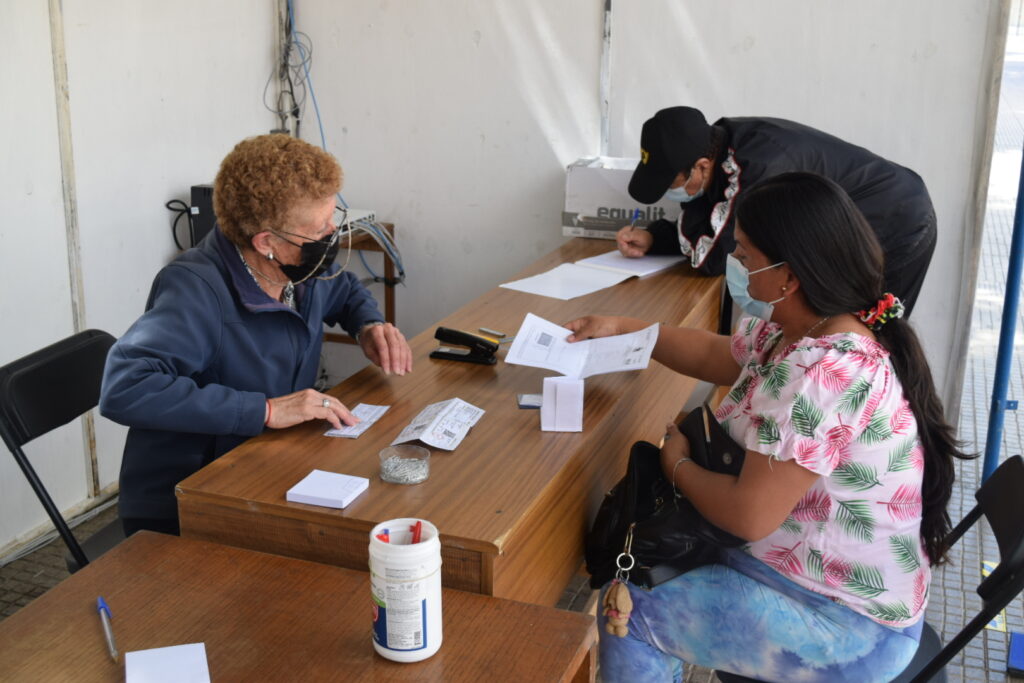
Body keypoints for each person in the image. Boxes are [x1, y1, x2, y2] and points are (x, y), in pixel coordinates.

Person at [567, 172, 970, 682]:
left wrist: (679, 465)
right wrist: (624, 330)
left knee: (629, 606)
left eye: (745, 257)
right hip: (806, 576)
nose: (736, 266)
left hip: (846, 627)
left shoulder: (823, 375)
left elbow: (748, 515)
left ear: (789, 276)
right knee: (654, 561)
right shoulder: (810, 331)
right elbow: (719, 354)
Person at [100, 134, 412, 537]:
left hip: (267, 465)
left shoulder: (298, 268)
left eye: (334, 219)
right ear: (267, 242)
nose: (332, 236)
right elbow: (125, 388)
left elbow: (345, 288)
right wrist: (264, 411)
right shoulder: (196, 289)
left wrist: (368, 325)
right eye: (319, 232)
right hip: (191, 499)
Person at [616, 107, 936, 316]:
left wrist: (678, 235)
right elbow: (713, 224)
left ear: (701, 165)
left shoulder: (756, 167)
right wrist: (654, 238)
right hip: (859, 218)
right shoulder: (716, 146)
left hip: (896, 220)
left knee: (867, 339)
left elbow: (714, 258)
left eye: (672, 182)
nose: (672, 193)